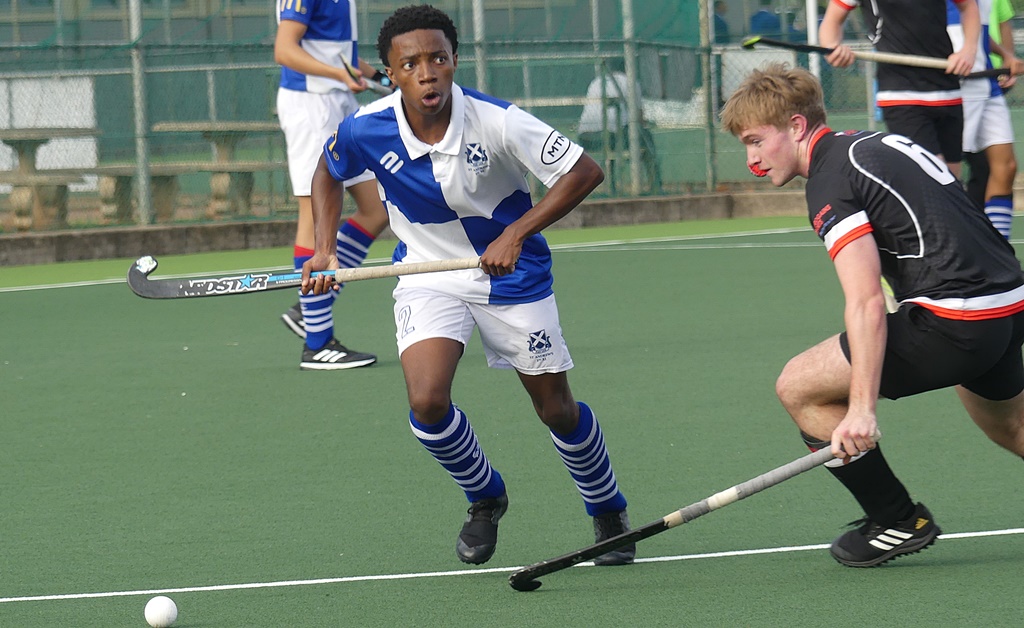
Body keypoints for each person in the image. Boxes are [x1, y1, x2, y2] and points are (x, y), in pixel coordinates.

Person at [302, 4, 635, 566]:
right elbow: (326, 170)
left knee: (555, 409)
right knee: (427, 402)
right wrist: (325, 247)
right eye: (410, 64)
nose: (427, 72)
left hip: (513, 277)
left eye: (438, 58)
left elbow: (583, 171)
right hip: (427, 277)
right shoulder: (366, 126)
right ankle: (485, 498)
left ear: (455, 60)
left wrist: (515, 234)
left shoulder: (498, 120)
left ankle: (607, 509)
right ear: (391, 74)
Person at [721, 63, 1024, 568]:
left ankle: (898, 519)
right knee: (1013, 427)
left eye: (756, 141)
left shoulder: (829, 180)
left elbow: (863, 301)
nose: (751, 159)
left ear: (796, 126)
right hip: (1008, 306)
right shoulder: (870, 145)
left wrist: (861, 409)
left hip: (958, 321)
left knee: (798, 386)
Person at [274, 0, 392, 370]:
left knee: (377, 209)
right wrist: (337, 75)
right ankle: (317, 342)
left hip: (338, 103)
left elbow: (340, 56)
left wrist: (387, 80)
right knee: (314, 215)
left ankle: (309, 307)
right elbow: (285, 49)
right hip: (311, 105)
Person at [819, 0, 980, 178]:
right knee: (936, 176)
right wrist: (832, 49)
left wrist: (969, 50)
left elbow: (968, 6)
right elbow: (832, 21)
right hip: (901, 93)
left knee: (952, 181)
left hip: (947, 89)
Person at [950, 0, 1022, 237]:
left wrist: (1005, 55)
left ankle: (998, 252)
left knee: (1006, 167)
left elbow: (980, 31)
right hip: (957, 85)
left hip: (987, 83)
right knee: (946, 175)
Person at [576, 58, 659, 193]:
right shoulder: (630, 81)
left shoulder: (596, 82)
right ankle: (654, 186)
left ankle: (612, 186)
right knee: (646, 140)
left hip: (585, 136)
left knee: (612, 147)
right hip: (612, 134)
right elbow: (639, 115)